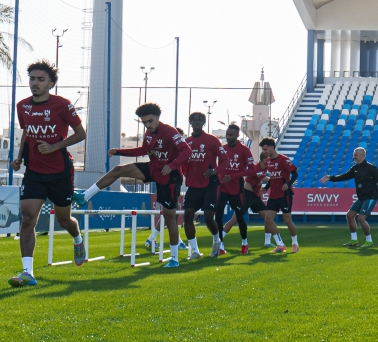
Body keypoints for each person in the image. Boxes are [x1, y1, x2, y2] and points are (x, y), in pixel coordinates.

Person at [78, 103, 191, 268]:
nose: (148, 125)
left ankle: (174, 259)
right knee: (118, 170)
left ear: (158, 117)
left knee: (169, 217)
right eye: (144, 122)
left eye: (150, 121)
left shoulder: (170, 132)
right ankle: (84, 196)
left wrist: (173, 165)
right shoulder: (149, 133)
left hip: (170, 176)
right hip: (154, 169)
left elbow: (187, 151)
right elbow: (144, 150)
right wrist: (119, 151)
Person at [8, 60, 88, 288]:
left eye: (40, 79)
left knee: (64, 220)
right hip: (34, 172)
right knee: (27, 219)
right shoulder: (23, 106)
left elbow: (81, 134)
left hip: (60, 172)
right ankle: (27, 272)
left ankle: (78, 238)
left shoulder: (62, 105)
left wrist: (54, 146)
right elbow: (26, 133)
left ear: (51, 83)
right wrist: (19, 157)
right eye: (32, 78)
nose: (35, 83)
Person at [321, 147, 378, 249]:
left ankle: (369, 241)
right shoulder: (355, 168)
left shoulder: (371, 168)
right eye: (353, 155)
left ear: (362, 155)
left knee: (361, 218)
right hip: (361, 197)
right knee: (350, 215)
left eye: (355, 155)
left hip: (371, 197)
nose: (353, 157)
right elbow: (344, 177)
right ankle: (354, 240)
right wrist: (330, 178)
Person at [181, 112, 223, 258]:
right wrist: (186, 174)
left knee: (208, 217)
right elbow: (183, 163)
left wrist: (215, 170)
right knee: (187, 216)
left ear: (204, 123)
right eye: (194, 120)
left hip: (210, 183)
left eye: (200, 120)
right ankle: (195, 251)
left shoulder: (212, 140)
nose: (197, 122)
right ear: (190, 122)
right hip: (193, 185)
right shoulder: (187, 142)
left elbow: (225, 159)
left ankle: (217, 242)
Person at [216, 124, 259, 255]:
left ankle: (245, 243)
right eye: (227, 134)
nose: (228, 137)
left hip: (237, 190)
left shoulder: (244, 150)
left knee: (240, 218)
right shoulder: (222, 149)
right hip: (222, 188)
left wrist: (233, 176)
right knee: (218, 217)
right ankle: (221, 245)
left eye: (231, 135)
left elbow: (252, 169)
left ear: (237, 135)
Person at [259, 137, 299, 253]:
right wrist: (265, 188)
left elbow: (295, 173)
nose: (264, 152)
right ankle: (280, 244)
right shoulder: (268, 161)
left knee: (287, 220)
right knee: (268, 218)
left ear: (272, 147)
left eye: (266, 149)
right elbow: (272, 178)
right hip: (273, 195)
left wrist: (288, 184)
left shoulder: (283, 159)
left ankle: (295, 244)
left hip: (285, 194)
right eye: (263, 150)